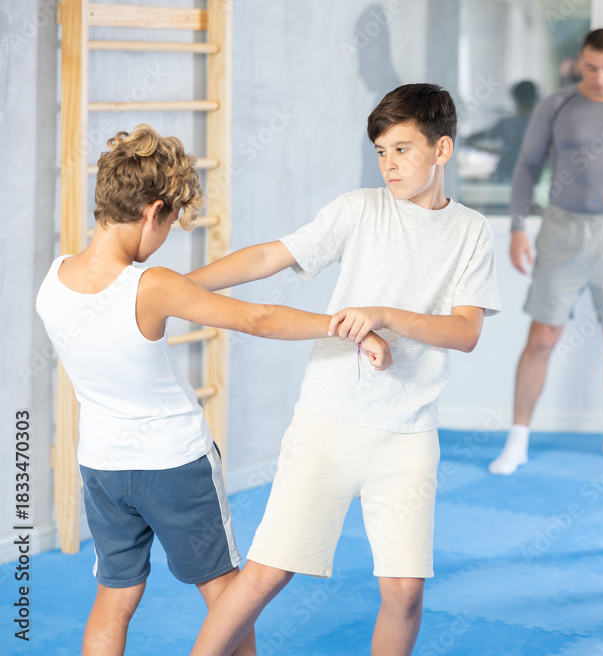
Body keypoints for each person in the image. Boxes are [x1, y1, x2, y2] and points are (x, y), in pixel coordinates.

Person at [34, 125, 391, 656]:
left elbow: (130, 309)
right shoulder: (151, 285)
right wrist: (347, 325)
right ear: (154, 211)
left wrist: (177, 288)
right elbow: (259, 317)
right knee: (227, 593)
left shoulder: (55, 277)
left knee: (114, 595)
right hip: (175, 465)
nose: (166, 238)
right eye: (171, 224)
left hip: (102, 467)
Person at [189, 83, 500, 656]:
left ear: (443, 150)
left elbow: (466, 332)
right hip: (328, 421)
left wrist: (385, 315)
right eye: (381, 151)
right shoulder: (358, 210)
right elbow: (267, 257)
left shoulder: (471, 232)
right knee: (266, 574)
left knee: (405, 592)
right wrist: (180, 287)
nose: (390, 164)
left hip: (408, 432)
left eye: (403, 149)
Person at [488, 28, 603, 476]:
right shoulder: (555, 105)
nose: (601, 78)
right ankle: (517, 440)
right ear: (581, 61)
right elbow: (526, 166)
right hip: (562, 229)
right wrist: (518, 229)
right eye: (593, 68)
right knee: (542, 336)